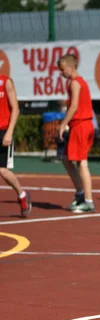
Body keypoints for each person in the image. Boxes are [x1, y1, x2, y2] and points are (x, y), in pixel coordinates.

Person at [57, 54, 96, 213]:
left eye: (62, 69)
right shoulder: (78, 83)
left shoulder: (75, 83)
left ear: (71, 67)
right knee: (66, 159)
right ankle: (80, 194)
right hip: (80, 126)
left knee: (82, 162)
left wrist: (62, 124)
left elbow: (73, 107)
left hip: (81, 125)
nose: (61, 73)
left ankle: (88, 201)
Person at [0, 74, 32, 217]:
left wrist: (9, 132)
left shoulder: (5, 82)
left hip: (3, 131)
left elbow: (15, 109)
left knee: (3, 171)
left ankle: (22, 195)